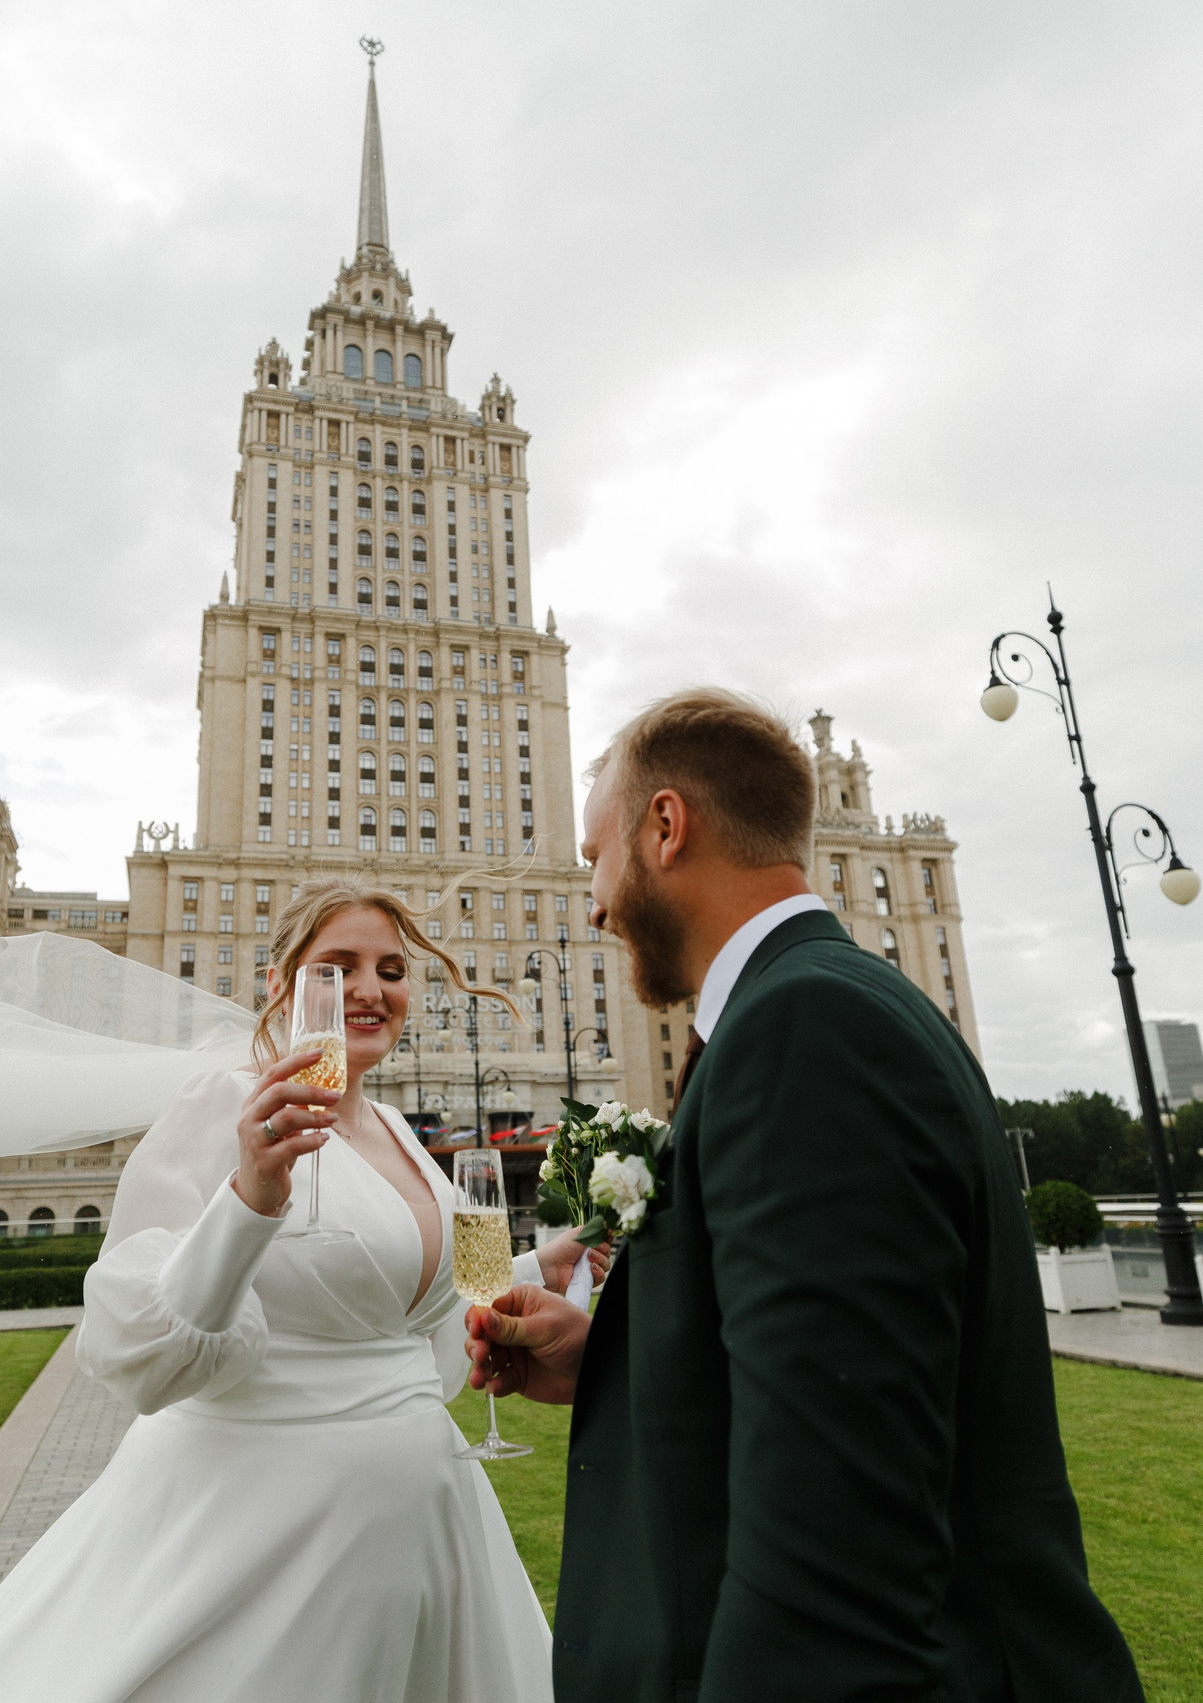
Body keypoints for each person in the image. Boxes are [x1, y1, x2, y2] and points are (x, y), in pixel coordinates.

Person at [468, 689, 1144, 1703]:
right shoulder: (815, 1005)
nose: (594, 903)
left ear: (665, 827)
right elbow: (810, 1363)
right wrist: (609, 1358)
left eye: (595, 858)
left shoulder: (807, 1029)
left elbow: (834, 1538)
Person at [0, 878, 596, 1703]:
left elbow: (422, 1303)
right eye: (337, 967)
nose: (370, 989)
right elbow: (139, 1348)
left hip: (428, 1525)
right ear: (281, 983)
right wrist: (250, 1199)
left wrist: (543, 1264)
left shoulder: (400, 1134)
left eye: (391, 970)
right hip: (267, 1533)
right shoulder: (225, 1104)